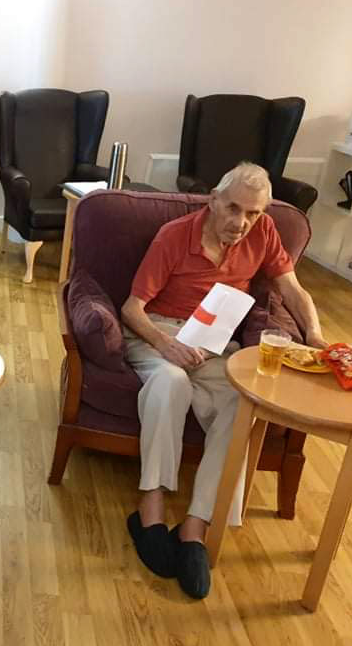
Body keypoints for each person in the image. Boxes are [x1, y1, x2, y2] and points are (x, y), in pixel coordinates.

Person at [121, 162, 325, 599]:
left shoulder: (264, 232)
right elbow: (131, 309)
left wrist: (315, 337)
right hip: (160, 331)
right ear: (213, 200)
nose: (241, 222)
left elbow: (293, 290)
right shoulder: (174, 236)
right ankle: (149, 509)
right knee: (170, 383)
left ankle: (196, 526)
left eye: (253, 213)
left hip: (214, 344)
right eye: (233, 208)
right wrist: (164, 343)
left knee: (243, 402)